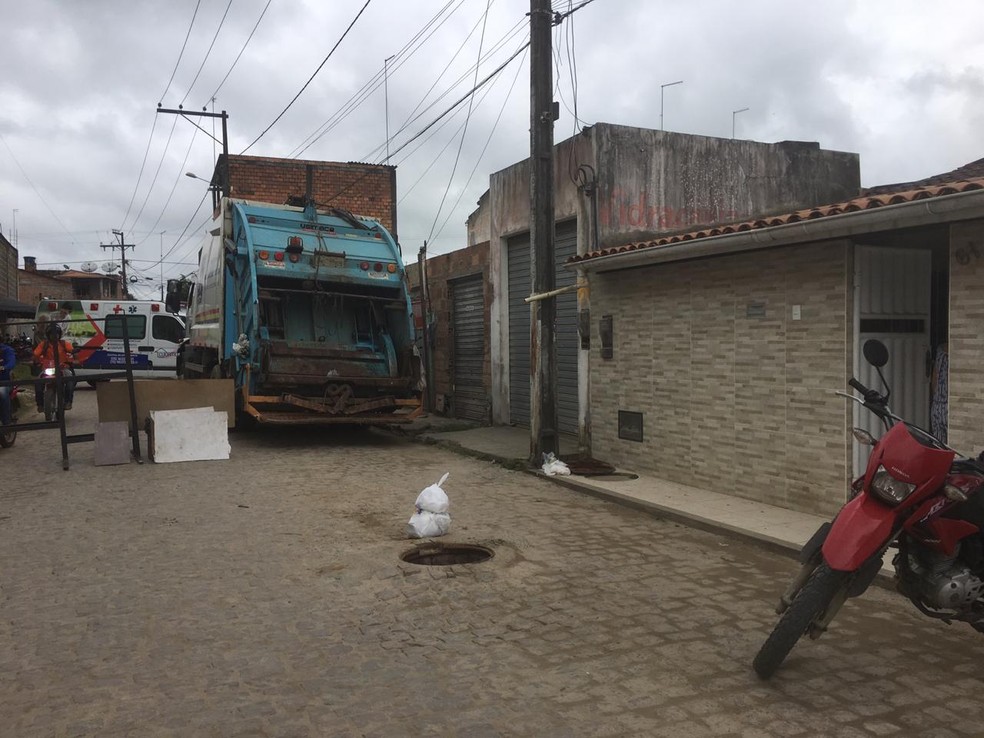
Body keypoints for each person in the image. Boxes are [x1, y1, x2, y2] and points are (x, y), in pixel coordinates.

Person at [33, 326, 76, 412]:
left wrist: (74, 351)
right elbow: (36, 353)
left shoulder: (64, 344)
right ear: (48, 335)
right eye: (52, 334)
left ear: (59, 335)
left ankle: (68, 402)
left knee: (70, 381)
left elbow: (71, 349)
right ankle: (40, 404)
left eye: (56, 334)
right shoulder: (43, 344)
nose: (54, 336)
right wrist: (36, 360)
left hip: (62, 368)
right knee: (38, 382)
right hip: (47, 369)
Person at [930, 341, 948, 444]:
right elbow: (935, 374)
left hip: (944, 404)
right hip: (939, 404)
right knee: (939, 444)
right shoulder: (940, 350)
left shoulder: (941, 351)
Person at [0, 339, 15, 427]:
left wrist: (4, 367)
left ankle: (7, 423)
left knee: (1, 392)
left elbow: (11, 363)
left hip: (4, 382)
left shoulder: (7, 350)